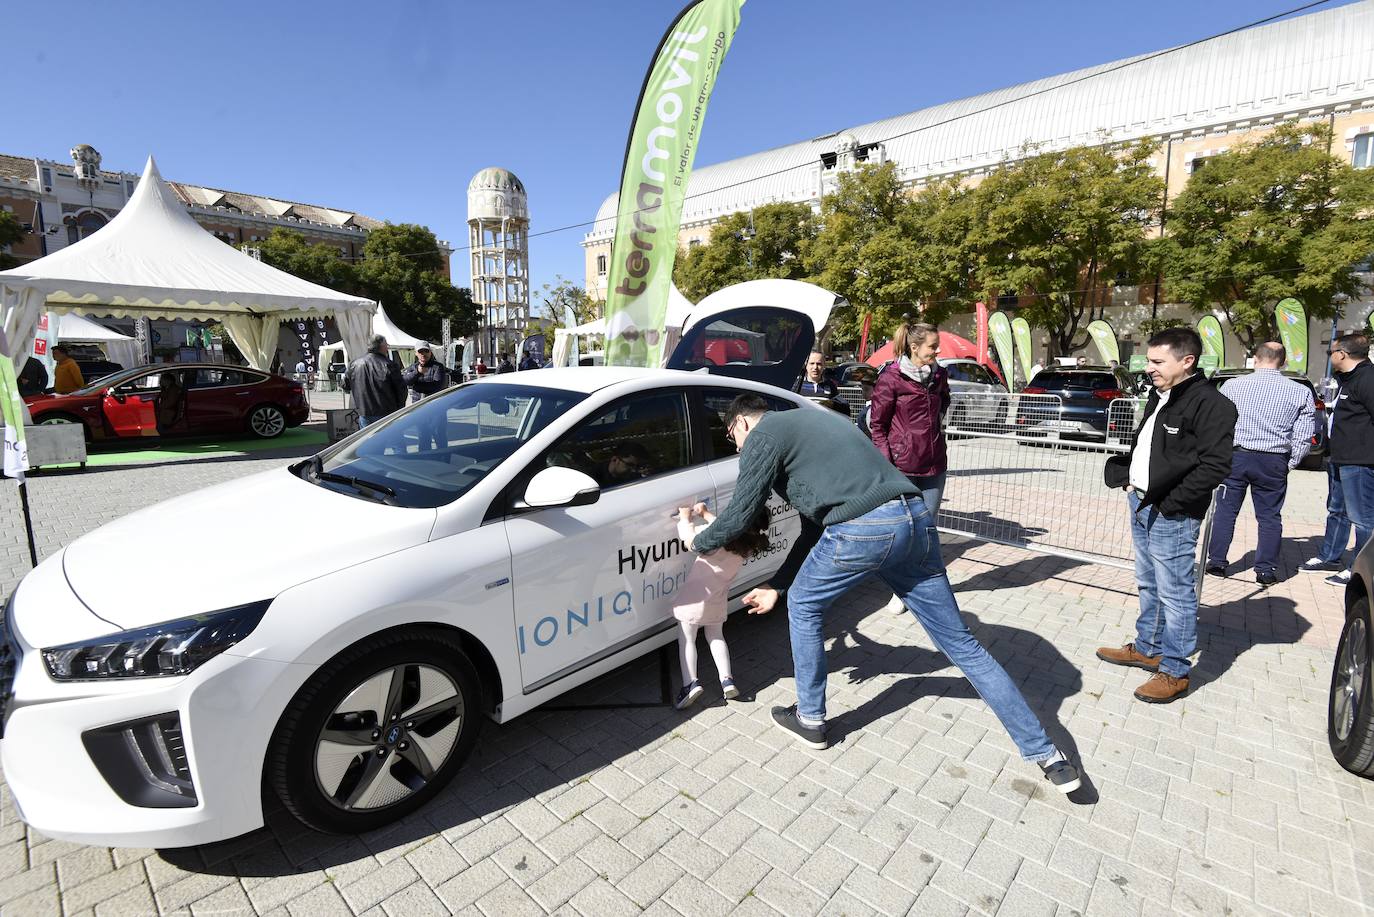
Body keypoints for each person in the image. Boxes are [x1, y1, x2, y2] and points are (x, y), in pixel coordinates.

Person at [685, 394, 1081, 794]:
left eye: (731, 437)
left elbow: (739, 514)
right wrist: (776, 585)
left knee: (805, 608)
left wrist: (697, 543)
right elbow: (811, 529)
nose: (736, 447)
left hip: (863, 528)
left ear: (741, 423)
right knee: (962, 645)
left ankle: (810, 719)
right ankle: (1047, 754)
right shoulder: (813, 423)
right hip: (913, 517)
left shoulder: (764, 433)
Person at [1100, 328, 1236, 704]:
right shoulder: (1160, 396)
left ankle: (1175, 669)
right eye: (1148, 360)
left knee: (1176, 594)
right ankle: (1148, 646)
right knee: (1148, 582)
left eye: (1158, 362)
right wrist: (1129, 479)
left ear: (1187, 361)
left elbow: (1216, 466)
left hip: (1171, 512)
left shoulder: (1211, 404)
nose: (1149, 368)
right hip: (1142, 502)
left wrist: (1172, 503)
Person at [1205, 342, 1314, 585]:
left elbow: (1217, 423)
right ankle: (1265, 571)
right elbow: (1304, 435)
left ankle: (1217, 563)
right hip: (1273, 460)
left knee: (1225, 511)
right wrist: (1291, 461)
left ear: (1255, 358)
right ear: (1283, 362)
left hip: (1235, 456)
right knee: (1269, 517)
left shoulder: (1232, 386)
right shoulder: (1300, 391)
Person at [869, 322, 951, 614]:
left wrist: (938, 428)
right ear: (914, 347)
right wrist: (888, 461)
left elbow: (944, 402)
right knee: (905, 530)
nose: (937, 350)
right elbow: (876, 425)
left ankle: (925, 586)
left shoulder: (940, 374)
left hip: (935, 465)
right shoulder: (891, 378)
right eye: (932, 346)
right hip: (902, 468)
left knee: (927, 530)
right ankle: (900, 589)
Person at [670, 502, 768, 709]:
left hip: (695, 599)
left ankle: (691, 683)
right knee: (716, 637)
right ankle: (727, 680)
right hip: (717, 598)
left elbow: (691, 541)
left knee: (687, 640)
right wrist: (706, 514)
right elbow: (722, 527)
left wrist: (686, 518)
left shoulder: (717, 538)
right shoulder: (744, 545)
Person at [1300, 332, 1374, 587]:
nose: (1330, 356)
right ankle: (1329, 556)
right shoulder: (1346, 379)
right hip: (1340, 458)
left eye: (1331, 352)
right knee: (1337, 511)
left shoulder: (1368, 379)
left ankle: (1359, 569)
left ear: (1342, 354)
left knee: (1363, 518)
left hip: (1360, 461)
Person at [342, 334, 406, 428]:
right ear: (382, 346)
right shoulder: (389, 365)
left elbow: (345, 385)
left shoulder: (354, 364)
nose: (387, 347)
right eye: (386, 345)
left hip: (364, 412)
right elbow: (401, 390)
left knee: (368, 440)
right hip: (386, 412)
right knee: (391, 440)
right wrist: (400, 408)